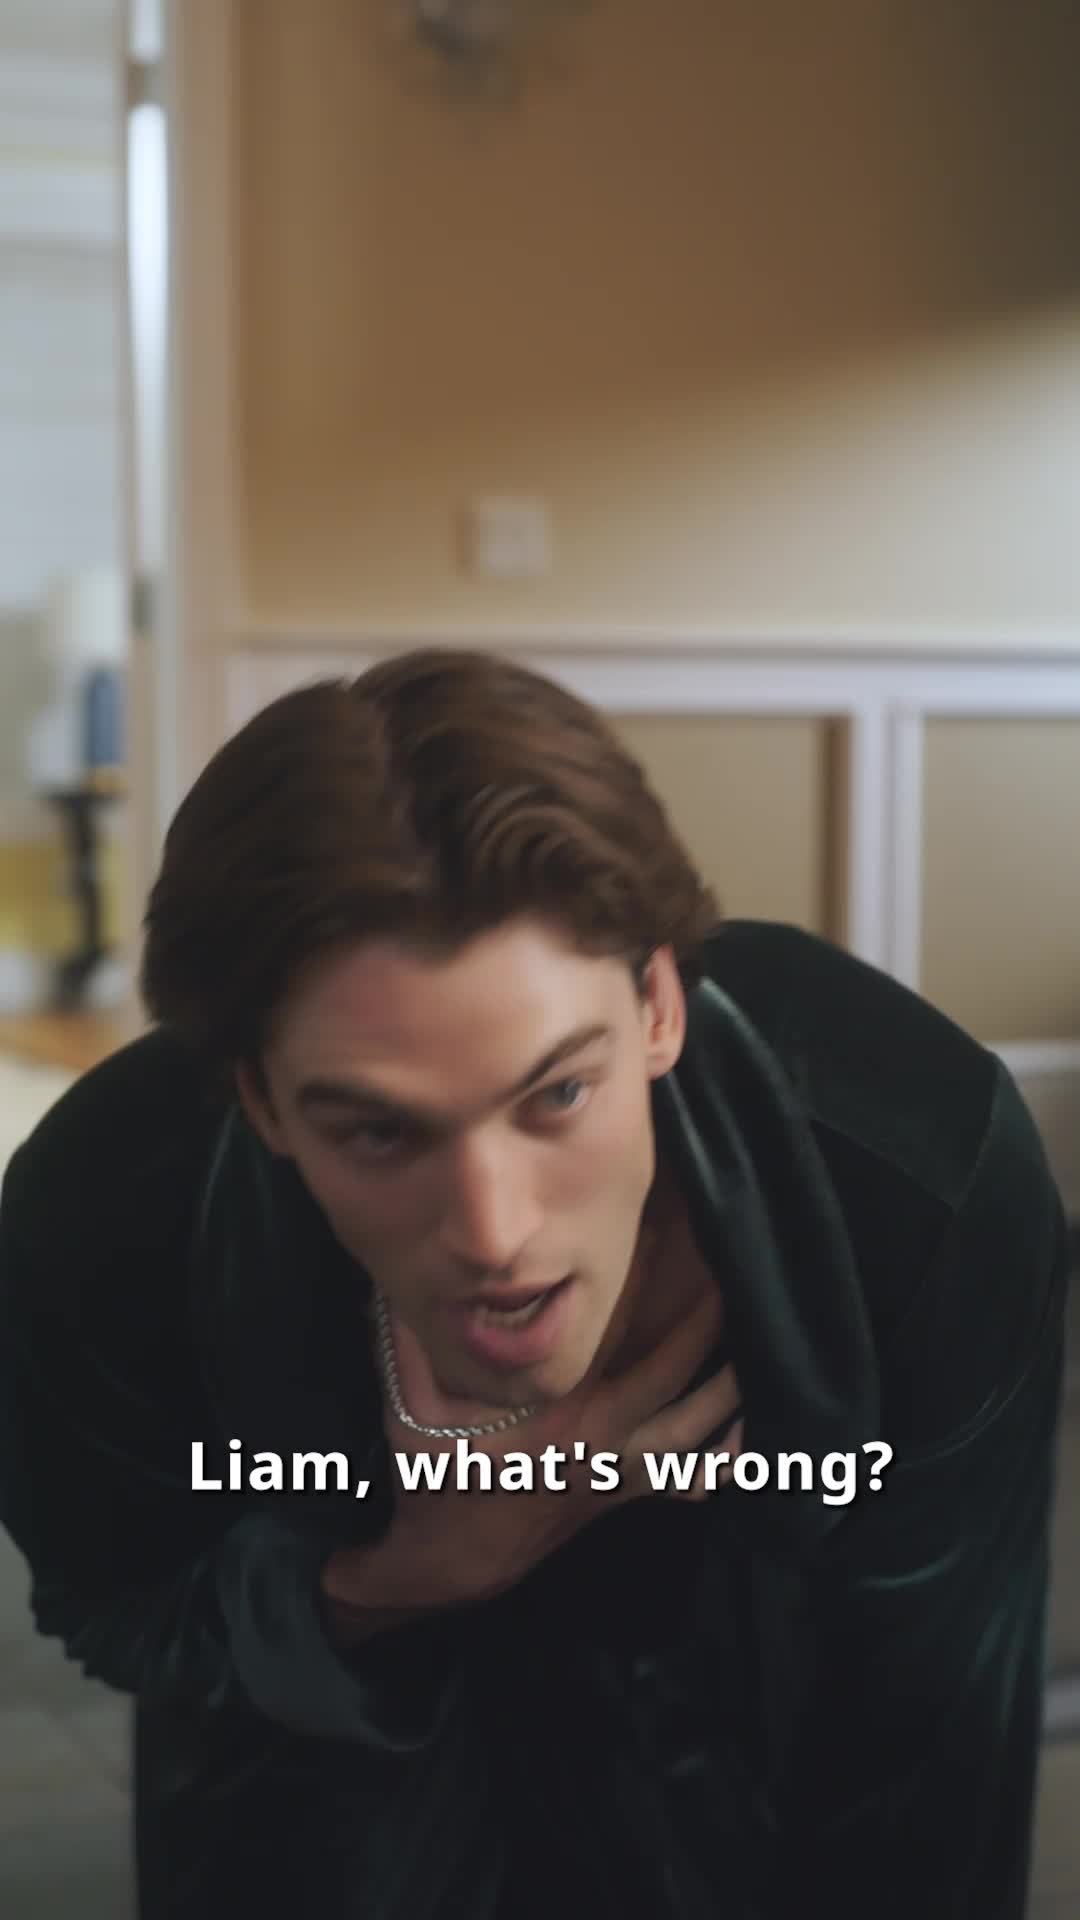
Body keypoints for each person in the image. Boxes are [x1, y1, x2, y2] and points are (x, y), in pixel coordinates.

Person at [0, 647, 1068, 1919]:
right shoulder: (104, 1215)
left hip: (765, 1762)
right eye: (380, 1132)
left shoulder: (922, 1175)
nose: (494, 1232)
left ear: (658, 1004)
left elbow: (934, 1766)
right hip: (320, 1772)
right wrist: (395, 1578)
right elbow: (112, 1604)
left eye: (558, 1093)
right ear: (263, 1104)